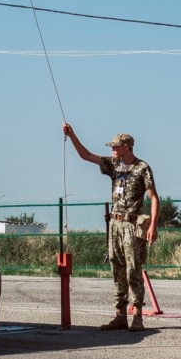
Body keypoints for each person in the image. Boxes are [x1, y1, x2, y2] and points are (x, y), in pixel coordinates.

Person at [62, 122, 160, 332]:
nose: (112, 149)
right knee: (117, 267)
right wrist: (72, 135)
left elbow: (153, 198)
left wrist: (153, 225)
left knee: (133, 269)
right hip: (115, 224)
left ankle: (138, 317)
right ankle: (120, 315)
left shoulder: (142, 168)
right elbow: (86, 155)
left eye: (116, 146)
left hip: (132, 225)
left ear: (127, 147)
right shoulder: (114, 165)